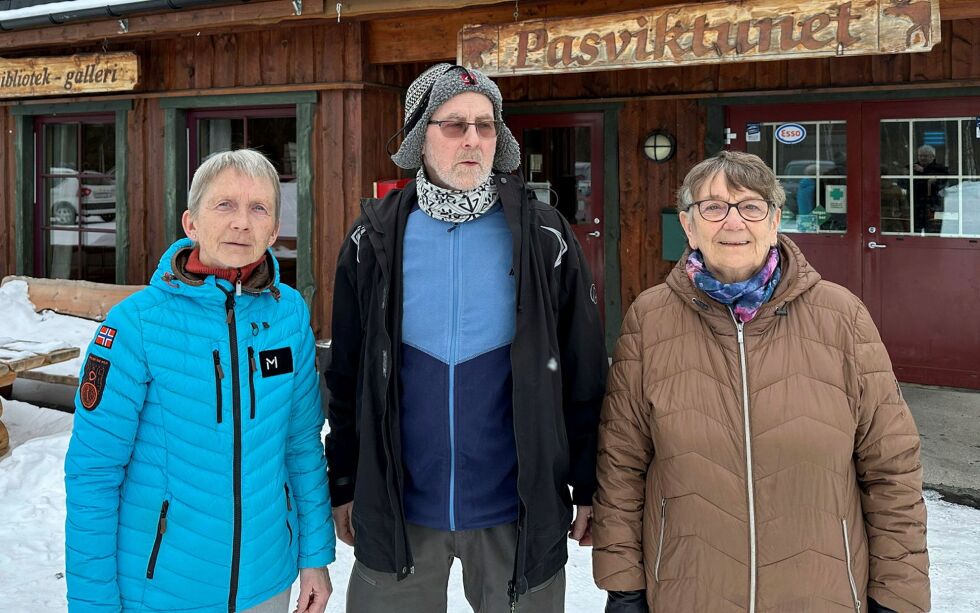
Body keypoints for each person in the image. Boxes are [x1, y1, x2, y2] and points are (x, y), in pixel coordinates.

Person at [592, 150, 929, 613]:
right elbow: (621, 467)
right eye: (713, 207)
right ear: (688, 226)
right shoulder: (650, 320)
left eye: (751, 206)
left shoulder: (842, 317)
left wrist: (898, 596)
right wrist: (624, 587)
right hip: (687, 590)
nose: (733, 222)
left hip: (821, 592)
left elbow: (891, 468)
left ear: (775, 221)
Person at [324, 63, 607, 613]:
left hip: (516, 511)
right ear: (417, 137)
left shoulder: (543, 234)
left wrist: (589, 484)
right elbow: (349, 372)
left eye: (485, 124)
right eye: (455, 124)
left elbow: (583, 370)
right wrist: (343, 479)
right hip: (401, 510)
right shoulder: (374, 237)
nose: (474, 139)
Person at [65, 149, 335, 613]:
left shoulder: (289, 314)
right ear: (191, 223)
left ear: (273, 231)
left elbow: (301, 444)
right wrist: (93, 605)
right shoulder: (135, 326)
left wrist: (314, 556)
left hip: (267, 583)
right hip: (162, 590)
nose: (241, 223)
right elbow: (93, 474)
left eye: (258, 208)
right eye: (224, 205)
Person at [912, 144, 949, 233]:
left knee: (933, 235)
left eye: (925, 156)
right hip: (915, 207)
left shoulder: (941, 169)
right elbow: (902, 183)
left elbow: (940, 184)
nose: (922, 158)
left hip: (933, 206)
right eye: (920, 155)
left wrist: (924, 171)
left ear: (933, 156)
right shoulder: (912, 168)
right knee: (913, 236)